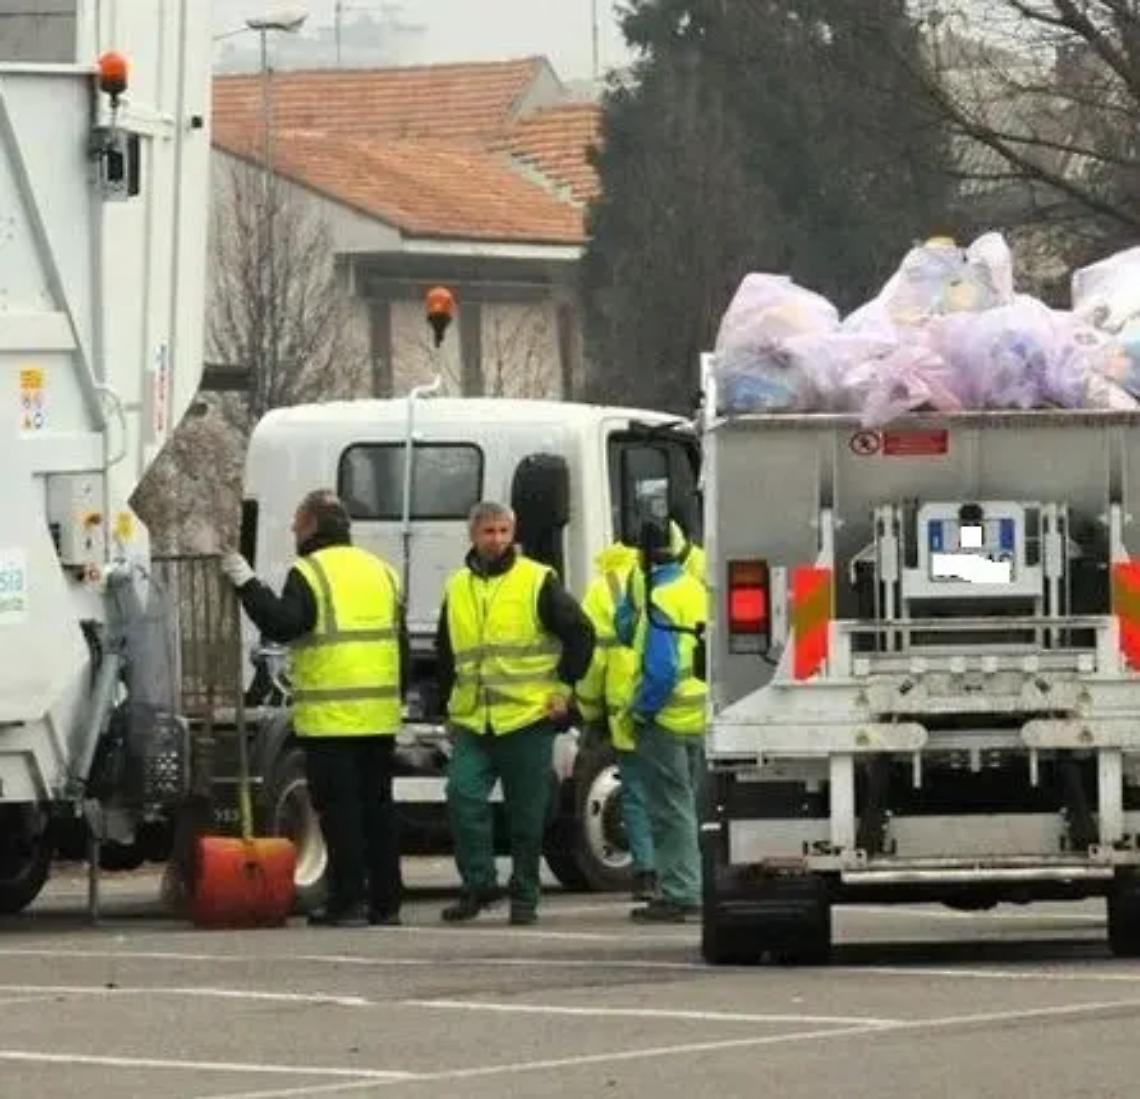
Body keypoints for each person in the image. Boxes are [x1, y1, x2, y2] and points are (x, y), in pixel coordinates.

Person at [220, 489, 407, 929]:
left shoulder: (309, 571)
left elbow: (285, 624)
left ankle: (347, 902)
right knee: (378, 810)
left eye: (296, 524)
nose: (291, 531)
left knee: (340, 815)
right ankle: (387, 902)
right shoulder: (382, 571)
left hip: (332, 718)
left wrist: (247, 583)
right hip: (378, 713)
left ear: (311, 528)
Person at [437, 501, 595, 925]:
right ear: (473, 535)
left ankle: (525, 896)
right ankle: (479, 884)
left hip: (527, 717)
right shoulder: (457, 587)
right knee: (461, 795)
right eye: (489, 532)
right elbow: (446, 653)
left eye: (504, 531)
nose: (498, 540)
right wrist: (446, 709)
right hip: (474, 719)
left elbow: (581, 633)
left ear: (514, 532)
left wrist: (565, 689)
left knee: (526, 815)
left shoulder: (537, 580)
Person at [618, 518, 708, 923]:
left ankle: (680, 892)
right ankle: (695, 885)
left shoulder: (658, 597)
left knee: (670, 811)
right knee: (693, 807)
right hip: (699, 713)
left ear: (642, 556)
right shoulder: (694, 588)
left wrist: (641, 710)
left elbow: (661, 670)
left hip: (666, 719)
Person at [576, 541, 657, 901]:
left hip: (626, 706)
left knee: (636, 795)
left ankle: (647, 873)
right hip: (683, 706)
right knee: (679, 794)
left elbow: (593, 662)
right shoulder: (681, 579)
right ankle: (685, 873)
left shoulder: (602, 589)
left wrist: (589, 711)